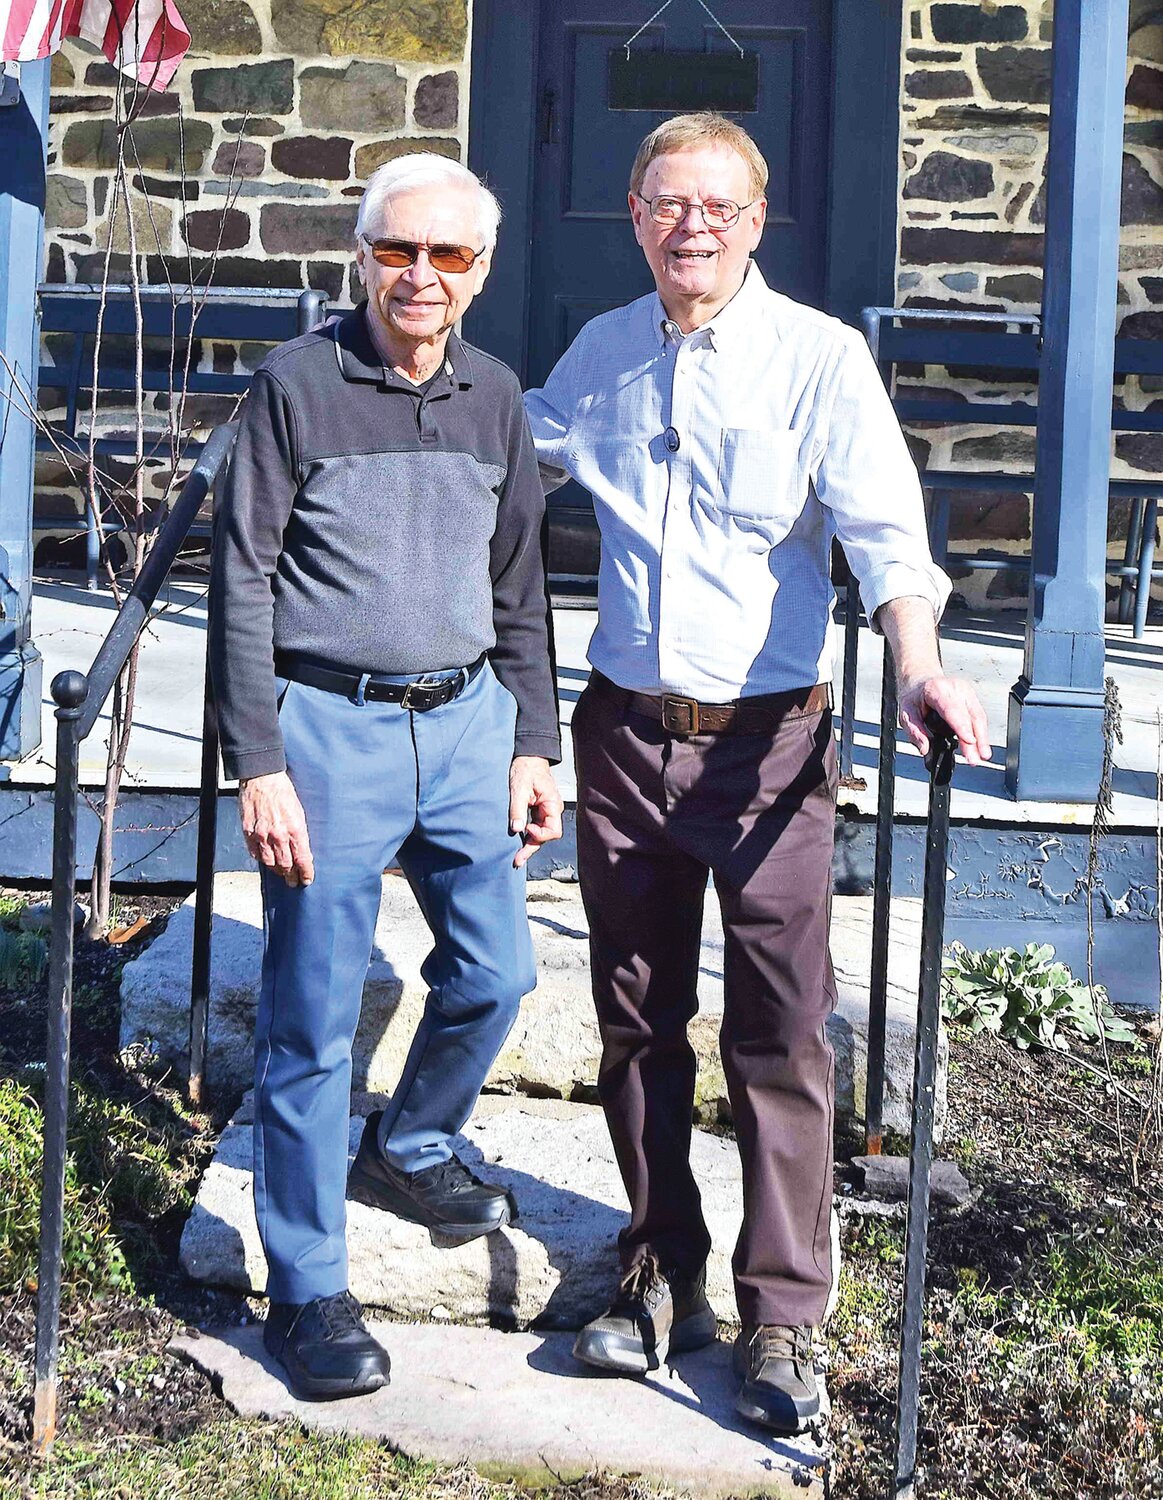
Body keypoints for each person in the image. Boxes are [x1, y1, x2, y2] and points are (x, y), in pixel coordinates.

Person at [524, 113, 989, 1435]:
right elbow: (514, 446)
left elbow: (887, 539)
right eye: (671, 204)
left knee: (779, 1030)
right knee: (634, 1023)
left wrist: (918, 668)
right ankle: (658, 1274)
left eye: (718, 209)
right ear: (632, 212)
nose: (693, 229)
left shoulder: (817, 359)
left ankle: (782, 1321)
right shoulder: (600, 354)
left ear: (757, 218)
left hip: (769, 744)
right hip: (620, 732)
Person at [210, 153, 563, 1402]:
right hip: (327, 730)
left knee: (499, 968)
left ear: (481, 270)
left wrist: (534, 740)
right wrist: (258, 762)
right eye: (396, 251)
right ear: (361, 257)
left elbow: (519, 584)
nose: (420, 276)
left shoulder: (495, 395)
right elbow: (241, 579)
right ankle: (307, 1285)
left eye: (447, 256)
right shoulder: (295, 384)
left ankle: (410, 1139)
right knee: (308, 1022)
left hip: (467, 724)